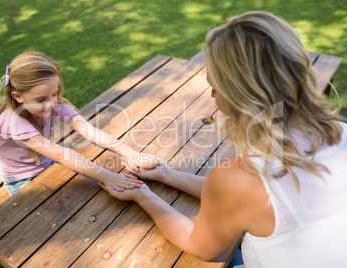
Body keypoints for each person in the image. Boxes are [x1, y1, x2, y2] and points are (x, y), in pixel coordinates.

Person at [99, 11, 347, 267]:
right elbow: (236, 197)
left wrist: (143, 195)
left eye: (216, 89)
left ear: (240, 98)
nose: (212, 98)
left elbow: (202, 246)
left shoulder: (237, 178)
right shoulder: (340, 132)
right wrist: (166, 174)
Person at [0, 51, 158, 196]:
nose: (51, 103)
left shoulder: (48, 103)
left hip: (48, 163)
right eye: (41, 99)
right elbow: (62, 154)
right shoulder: (14, 122)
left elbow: (89, 131)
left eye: (54, 94)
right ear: (17, 96)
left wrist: (128, 152)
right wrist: (108, 177)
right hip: (22, 179)